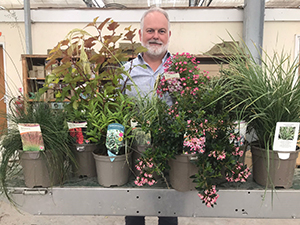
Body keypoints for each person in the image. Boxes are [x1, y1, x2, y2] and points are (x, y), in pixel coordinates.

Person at [121, 6, 178, 225]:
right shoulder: (126, 71)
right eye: (150, 30)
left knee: (169, 209)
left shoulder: (180, 69)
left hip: (169, 149)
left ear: (169, 35)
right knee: (135, 208)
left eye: (161, 31)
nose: (156, 36)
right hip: (135, 149)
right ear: (141, 34)